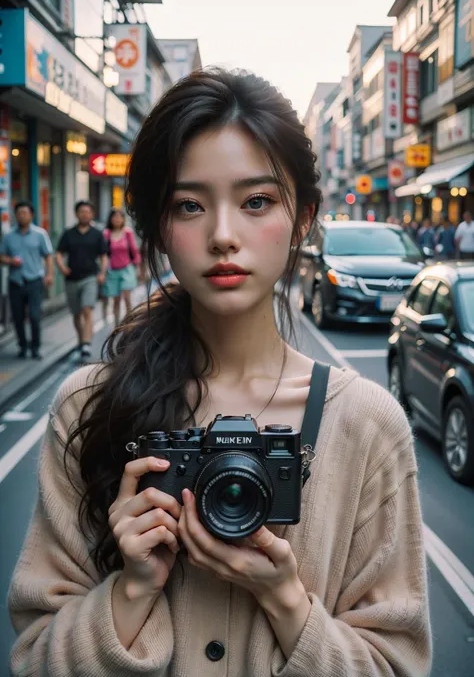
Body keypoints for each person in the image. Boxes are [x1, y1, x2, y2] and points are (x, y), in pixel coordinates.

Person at [8, 69, 432, 677]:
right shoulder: (88, 406)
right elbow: (34, 658)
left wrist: (284, 598)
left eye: (256, 201)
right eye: (189, 205)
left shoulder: (365, 426)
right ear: (158, 227)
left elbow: (398, 665)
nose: (223, 236)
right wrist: (131, 591)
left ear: (304, 217)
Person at [55, 201, 108, 361]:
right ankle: (81, 340)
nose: (85, 214)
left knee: (87, 310)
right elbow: (58, 253)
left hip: (90, 277)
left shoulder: (97, 234)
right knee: (76, 314)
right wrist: (62, 268)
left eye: (88, 211)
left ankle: (86, 343)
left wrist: (102, 273)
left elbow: (103, 256)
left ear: (92, 214)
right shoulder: (68, 233)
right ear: (76, 214)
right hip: (71, 279)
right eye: (82, 211)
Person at [0, 201, 53, 359]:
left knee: (35, 316)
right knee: (17, 317)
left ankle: (36, 347)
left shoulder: (40, 234)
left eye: (25, 212)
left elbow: (48, 255)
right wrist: (10, 261)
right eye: (19, 213)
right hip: (15, 281)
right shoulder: (8, 236)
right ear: (15, 215)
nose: (22, 215)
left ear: (32, 215)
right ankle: (22, 346)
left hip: (35, 280)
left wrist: (49, 274)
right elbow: (1, 256)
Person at [102, 208, 141, 327]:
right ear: (110, 219)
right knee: (116, 300)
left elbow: (134, 250)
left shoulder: (127, 232)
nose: (117, 219)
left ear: (123, 219)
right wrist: (103, 271)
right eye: (114, 217)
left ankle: (130, 323)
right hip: (112, 270)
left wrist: (138, 267)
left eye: (120, 217)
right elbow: (103, 253)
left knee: (127, 297)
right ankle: (117, 325)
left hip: (127, 269)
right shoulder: (106, 234)